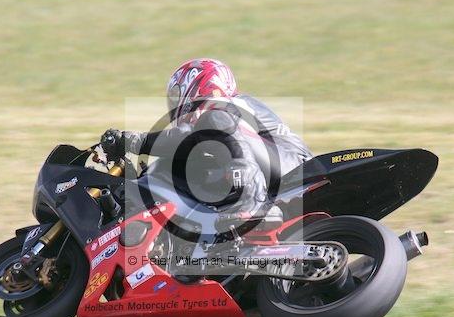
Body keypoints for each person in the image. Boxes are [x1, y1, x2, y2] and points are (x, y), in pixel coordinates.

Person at [101, 58, 312, 232]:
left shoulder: (225, 106)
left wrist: (133, 141)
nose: (174, 103)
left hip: (292, 168)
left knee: (210, 122)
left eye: (177, 94)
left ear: (200, 83)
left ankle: (250, 200)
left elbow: (184, 135)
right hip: (280, 171)